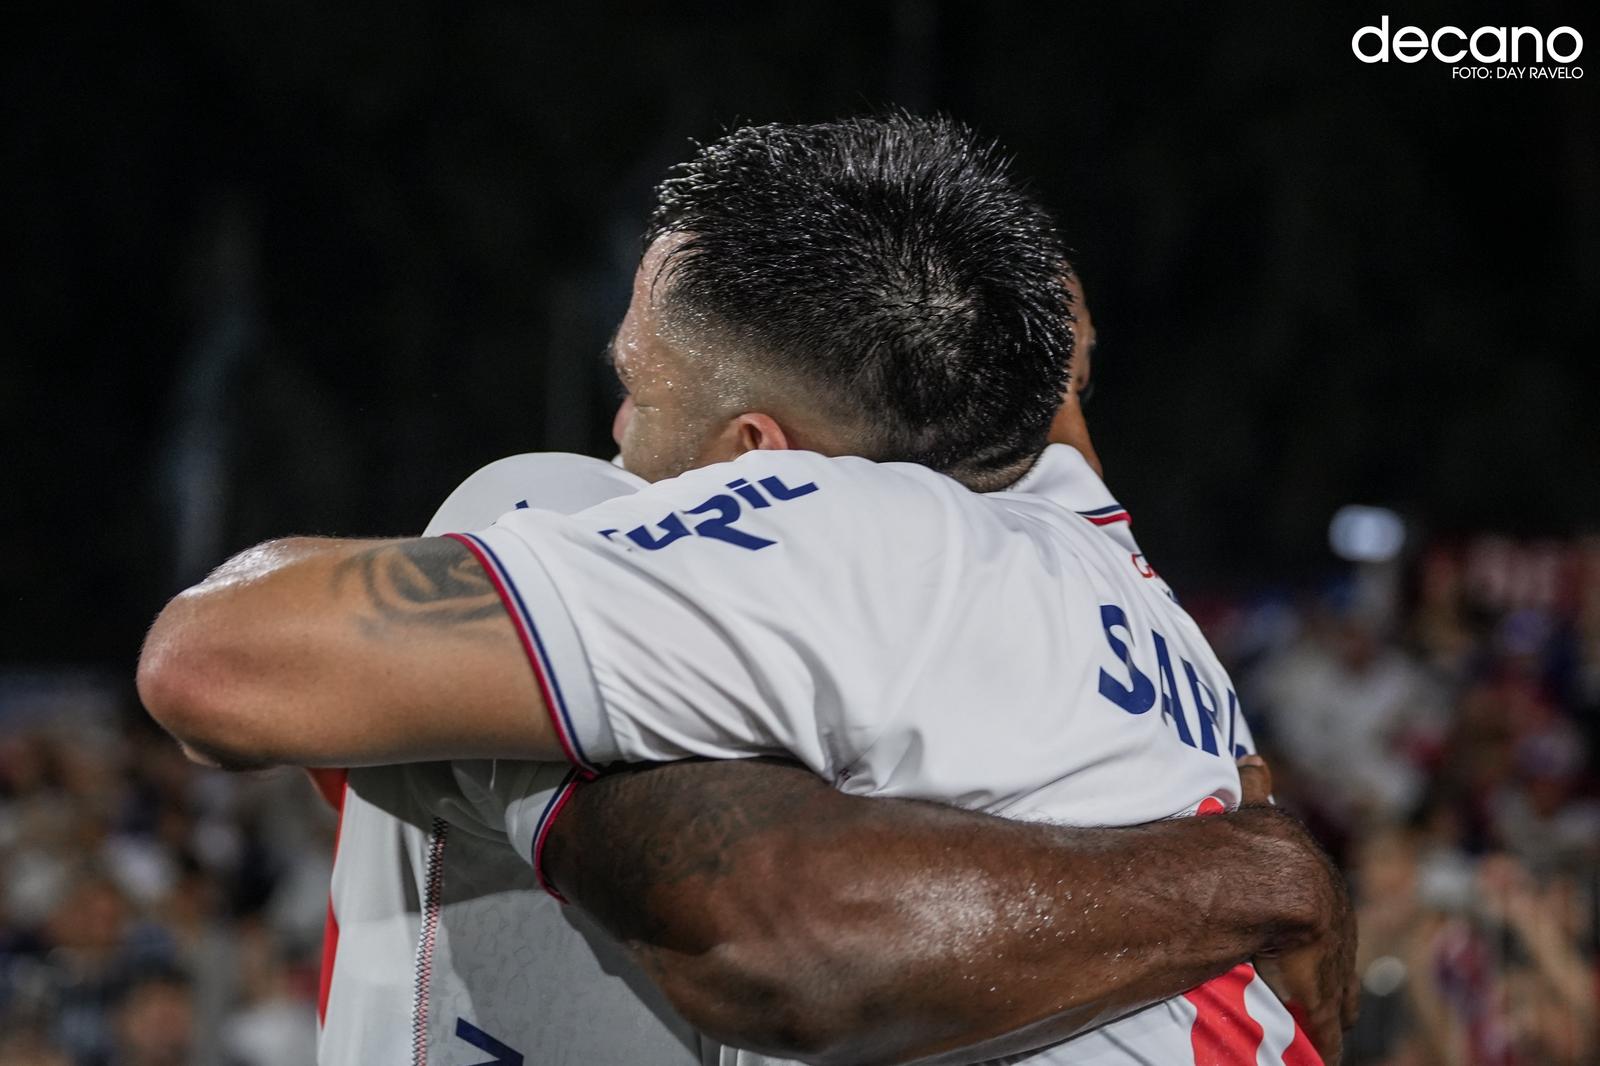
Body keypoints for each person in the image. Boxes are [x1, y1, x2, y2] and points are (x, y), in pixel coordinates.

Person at [138, 115, 1355, 1064]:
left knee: (525, 503)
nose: (620, 426)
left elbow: (216, 662)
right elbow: (1047, 318)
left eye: (636, 385)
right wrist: (1253, 875)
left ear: (759, 464)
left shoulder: (833, 529)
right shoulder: (1085, 533)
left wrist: (1257, 877)